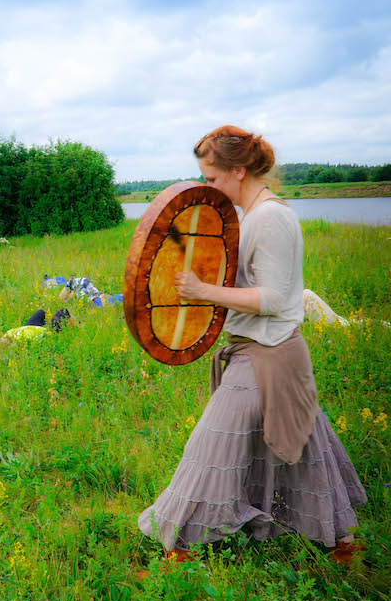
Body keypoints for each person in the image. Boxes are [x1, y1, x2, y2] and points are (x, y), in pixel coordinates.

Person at [138, 126, 367, 565]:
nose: (208, 187)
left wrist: (203, 290)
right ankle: (339, 543)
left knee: (211, 446)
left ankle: (180, 548)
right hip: (262, 350)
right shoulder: (251, 215)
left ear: (238, 170)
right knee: (300, 441)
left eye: (212, 178)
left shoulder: (271, 218)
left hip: (269, 354)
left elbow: (275, 299)